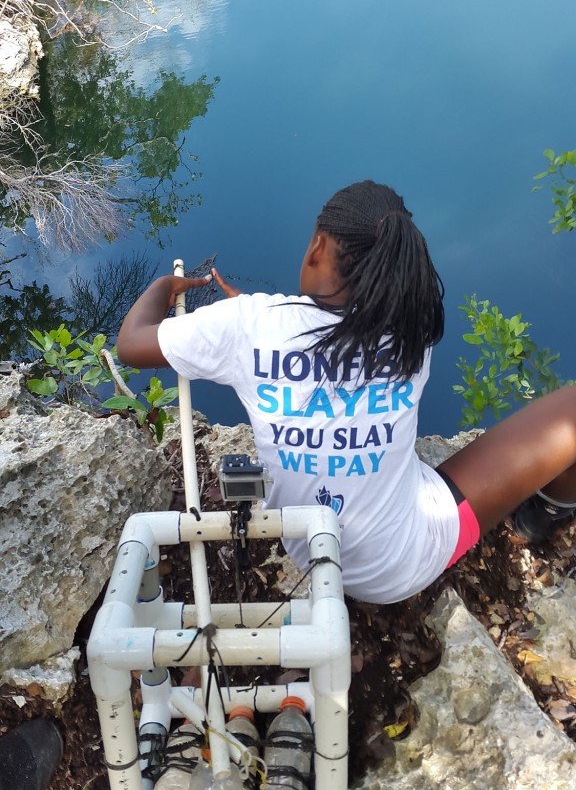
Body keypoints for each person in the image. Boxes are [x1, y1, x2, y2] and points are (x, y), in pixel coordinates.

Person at [117, 180, 576, 604]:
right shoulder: (410, 328)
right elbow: (327, 341)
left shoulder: (247, 328)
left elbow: (131, 345)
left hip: (309, 552)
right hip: (409, 563)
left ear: (317, 246)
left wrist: (163, 287)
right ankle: (542, 516)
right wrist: (258, 319)